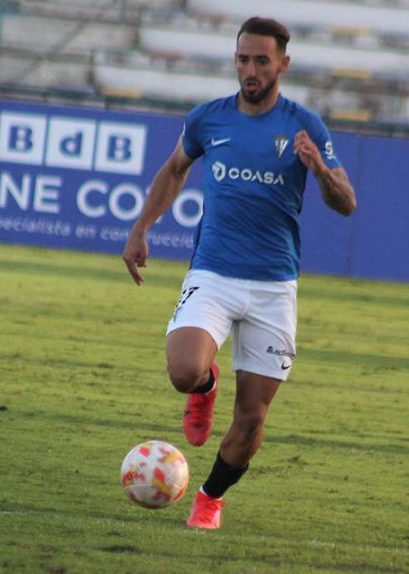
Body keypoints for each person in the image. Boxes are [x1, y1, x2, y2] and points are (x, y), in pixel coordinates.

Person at [122, 16, 356, 529]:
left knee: (251, 421)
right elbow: (175, 169)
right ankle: (204, 387)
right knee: (183, 370)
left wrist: (318, 169)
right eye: (243, 59)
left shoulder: (305, 126)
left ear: (283, 65)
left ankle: (209, 498)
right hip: (216, 272)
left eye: (261, 61)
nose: (250, 70)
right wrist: (142, 228)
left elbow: (346, 203)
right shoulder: (209, 119)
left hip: (275, 286)